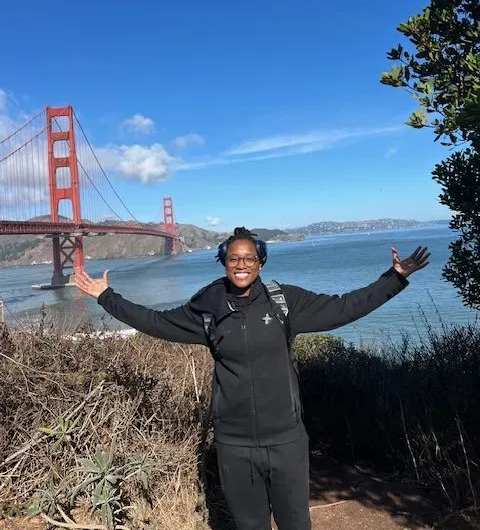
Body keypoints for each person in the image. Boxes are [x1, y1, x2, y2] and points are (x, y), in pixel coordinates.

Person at [75, 227, 430, 530]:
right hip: (234, 443)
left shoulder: (284, 302)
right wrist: (107, 298)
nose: (241, 264)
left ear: (260, 262)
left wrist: (394, 279)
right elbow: (157, 322)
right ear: (224, 262)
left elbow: (343, 308)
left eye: (249, 258)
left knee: (295, 523)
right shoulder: (207, 308)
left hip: (287, 439)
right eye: (233, 258)